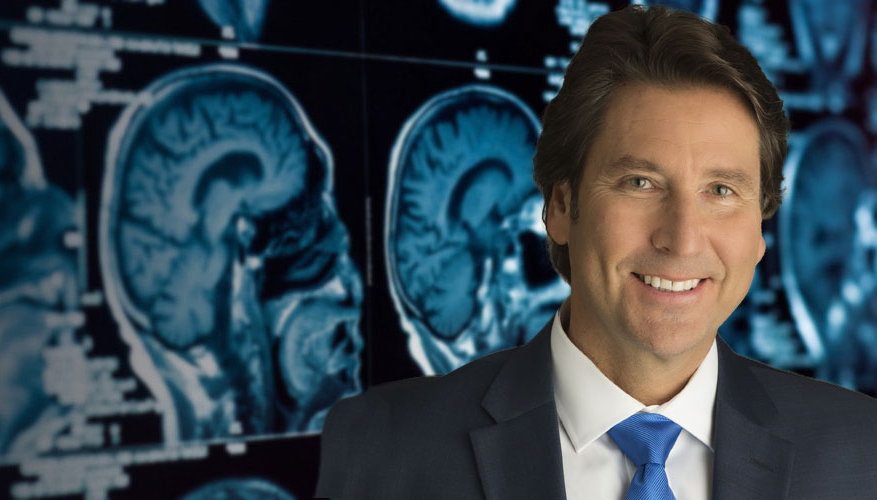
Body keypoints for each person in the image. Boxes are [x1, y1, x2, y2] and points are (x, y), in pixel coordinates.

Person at [316, 5, 877, 500]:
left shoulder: (860, 453)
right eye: (640, 183)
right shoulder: (381, 450)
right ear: (560, 206)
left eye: (721, 191)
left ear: (760, 231)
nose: (682, 238)